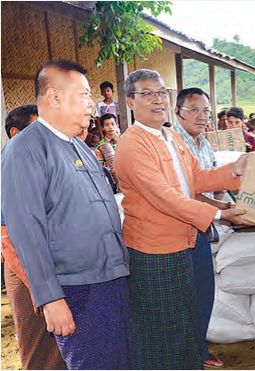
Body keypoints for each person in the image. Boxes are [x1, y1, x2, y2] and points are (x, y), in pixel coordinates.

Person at [113, 69, 248, 369]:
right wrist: (219, 213)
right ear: (131, 102)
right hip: (153, 249)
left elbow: (196, 178)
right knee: (160, 328)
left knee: (184, 319)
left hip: (181, 242)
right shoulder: (132, 143)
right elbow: (163, 196)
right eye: (147, 93)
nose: (157, 99)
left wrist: (232, 172)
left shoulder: (171, 135)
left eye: (161, 92)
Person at [2, 60, 133, 369]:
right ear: (55, 98)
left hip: (110, 278)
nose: (92, 105)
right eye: (85, 95)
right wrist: (50, 299)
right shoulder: (26, 149)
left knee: (122, 361)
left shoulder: (81, 147)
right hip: (76, 288)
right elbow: (26, 230)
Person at [1, 104, 67, 370]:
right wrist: (42, 289)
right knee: (40, 348)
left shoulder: (42, 163)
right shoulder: (9, 167)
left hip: (48, 268)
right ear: (17, 134)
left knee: (59, 346)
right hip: (25, 270)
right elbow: (7, 240)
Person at [172, 87, 228, 368]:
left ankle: (199, 347)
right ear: (177, 112)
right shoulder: (171, 143)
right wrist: (224, 210)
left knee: (204, 290)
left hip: (202, 229)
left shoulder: (203, 143)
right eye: (193, 110)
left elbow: (213, 182)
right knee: (184, 294)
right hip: (178, 231)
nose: (201, 116)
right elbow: (186, 190)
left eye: (205, 110)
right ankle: (189, 352)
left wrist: (224, 200)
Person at [95, 113, 120, 190]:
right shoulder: (100, 146)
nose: (111, 127)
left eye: (113, 124)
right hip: (114, 182)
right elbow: (101, 166)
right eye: (107, 125)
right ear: (102, 128)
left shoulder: (124, 140)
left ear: (116, 125)